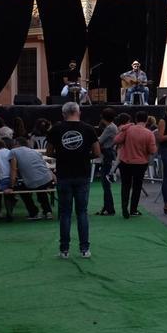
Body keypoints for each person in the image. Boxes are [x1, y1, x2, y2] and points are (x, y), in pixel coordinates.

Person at [47, 102, 100, 259]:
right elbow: (97, 152)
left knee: (65, 213)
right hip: (82, 174)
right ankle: (84, 249)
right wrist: (84, 156)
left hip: (64, 174)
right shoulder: (88, 129)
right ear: (79, 112)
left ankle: (64, 250)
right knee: (82, 212)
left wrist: (63, 156)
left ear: (63, 114)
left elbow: (49, 151)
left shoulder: (56, 129)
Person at [115, 112, 157, 219]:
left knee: (125, 186)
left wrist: (125, 128)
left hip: (126, 162)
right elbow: (153, 151)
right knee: (137, 187)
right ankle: (133, 209)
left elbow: (116, 140)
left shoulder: (128, 130)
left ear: (135, 119)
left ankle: (125, 208)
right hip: (140, 163)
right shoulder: (149, 133)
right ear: (147, 120)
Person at [5, 136, 55, 221]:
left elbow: (13, 170)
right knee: (41, 188)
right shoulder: (34, 151)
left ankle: (34, 212)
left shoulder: (13, 152)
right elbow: (44, 165)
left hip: (34, 181)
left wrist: (11, 186)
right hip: (47, 178)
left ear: (16, 144)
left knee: (22, 189)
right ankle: (48, 212)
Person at [94, 109, 120, 216]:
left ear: (103, 117)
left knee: (105, 183)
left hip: (108, 155)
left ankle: (109, 208)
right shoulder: (113, 126)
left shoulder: (110, 128)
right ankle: (107, 207)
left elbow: (100, 141)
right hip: (109, 154)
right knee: (106, 183)